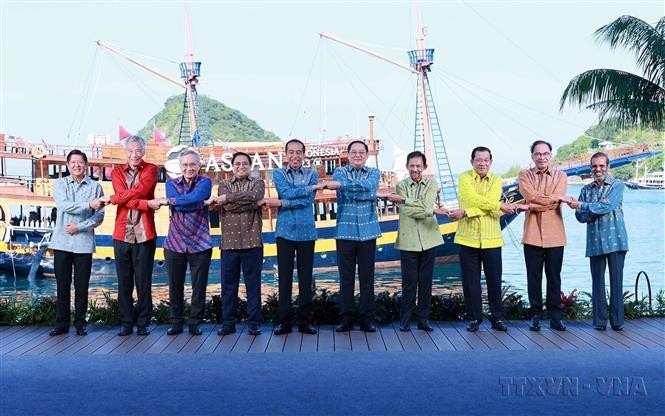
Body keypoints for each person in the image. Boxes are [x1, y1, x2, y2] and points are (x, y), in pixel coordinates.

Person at [447, 146, 525, 332]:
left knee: (494, 281)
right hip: (468, 238)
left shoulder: (496, 180)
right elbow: (474, 199)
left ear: (490, 161)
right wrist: (498, 205)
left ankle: (497, 318)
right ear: (471, 161)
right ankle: (474, 319)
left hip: (492, 239)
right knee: (470, 282)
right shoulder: (464, 178)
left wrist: (466, 212)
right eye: (478, 160)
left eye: (486, 160)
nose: (482, 163)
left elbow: (487, 207)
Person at [264, 139, 324, 336]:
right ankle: (285, 322)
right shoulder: (278, 173)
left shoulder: (312, 174)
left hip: (307, 232)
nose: (295, 156)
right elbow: (285, 192)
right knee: (285, 278)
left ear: (304, 155)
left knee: (306, 278)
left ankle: (305, 322)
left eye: (299, 152)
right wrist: (306, 189)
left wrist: (282, 203)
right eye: (291, 152)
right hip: (285, 232)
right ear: (286, 155)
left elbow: (307, 201)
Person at [565, 152, 628, 331]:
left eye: (601, 166)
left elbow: (607, 206)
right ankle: (600, 322)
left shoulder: (617, 186)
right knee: (597, 282)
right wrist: (594, 208)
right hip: (594, 241)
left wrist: (585, 206)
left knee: (616, 282)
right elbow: (580, 217)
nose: (598, 169)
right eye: (594, 166)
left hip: (616, 241)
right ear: (590, 168)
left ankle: (617, 322)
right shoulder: (586, 190)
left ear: (608, 167)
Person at [152, 149, 213, 336]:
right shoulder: (170, 183)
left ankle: (195, 323)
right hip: (175, 243)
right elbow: (190, 202)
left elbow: (192, 199)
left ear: (199, 165)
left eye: (192, 164)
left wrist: (175, 202)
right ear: (179, 167)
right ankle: (176, 322)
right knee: (175, 285)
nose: (189, 168)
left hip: (200, 242)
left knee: (199, 285)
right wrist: (200, 203)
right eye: (185, 165)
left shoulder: (205, 182)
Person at [104, 135, 158, 336]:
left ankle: (143, 323)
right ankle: (126, 323)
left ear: (143, 151)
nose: (134, 155)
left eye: (138, 151)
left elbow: (142, 189)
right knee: (124, 281)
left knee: (144, 281)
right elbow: (132, 198)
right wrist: (145, 204)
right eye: (131, 151)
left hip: (145, 233)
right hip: (121, 233)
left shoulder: (152, 169)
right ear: (125, 153)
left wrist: (115, 198)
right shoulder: (116, 172)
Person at [326, 140, 381, 333]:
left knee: (367, 279)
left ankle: (367, 320)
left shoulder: (374, 173)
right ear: (348, 155)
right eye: (354, 152)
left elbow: (369, 188)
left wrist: (346, 187)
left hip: (368, 232)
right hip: (345, 232)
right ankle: (346, 319)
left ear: (366, 155)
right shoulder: (339, 172)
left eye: (361, 152)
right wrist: (367, 192)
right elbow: (366, 191)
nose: (358, 155)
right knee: (346, 278)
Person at [49, 149, 105, 336]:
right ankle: (62, 324)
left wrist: (79, 227)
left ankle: (80, 323)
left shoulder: (96, 187)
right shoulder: (60, 184)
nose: (76, 165)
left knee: (82, 285)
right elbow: (64, 206)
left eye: (80, 162)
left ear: (86, 165)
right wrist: (89, 205)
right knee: (62, 284)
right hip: (62, 242)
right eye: (72, 163)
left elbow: (99, 216)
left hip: (84, 242)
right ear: (67, 165)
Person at [387, 151, 443, 332]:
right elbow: (409, 211)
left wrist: (406, 201)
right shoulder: (401, 185)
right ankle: (405, 320)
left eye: (418, 166)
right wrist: (427, 209)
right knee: (409, 282)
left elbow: (426, 206)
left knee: (426, 282)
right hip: (408, 240)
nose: (415, 169)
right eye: (412, 166)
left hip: (429, 239)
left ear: (424, 167)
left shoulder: (432, 184)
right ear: (407, 167)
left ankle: (423, 320)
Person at [212, 152, 265, 336]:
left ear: (250, 166)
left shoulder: (259, 183)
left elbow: (255, 195)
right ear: (232, 166)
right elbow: (235, 204)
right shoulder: (224, 185)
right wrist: (249, 202)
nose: (241, 166)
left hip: (252, 242)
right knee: (228, 286)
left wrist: (229, 199)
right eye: (237, 164)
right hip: (229, 244)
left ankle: (254, 323)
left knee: (253, 285)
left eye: (244, 164)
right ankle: (228, 324)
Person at [518, 140, 567, 332]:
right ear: (532, 156)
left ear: (550, 155)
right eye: (537, 154)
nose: (541, 157)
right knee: (534, 277)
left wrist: (531, 206)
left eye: (545, 153)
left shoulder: (561, 176)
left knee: (554, 277)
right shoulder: (524, 175)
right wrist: (541, 201)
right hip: (532, 234)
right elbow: (530, 196)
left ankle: (556, 318)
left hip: (555, 234)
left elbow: (557, 198)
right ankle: (535, 316)